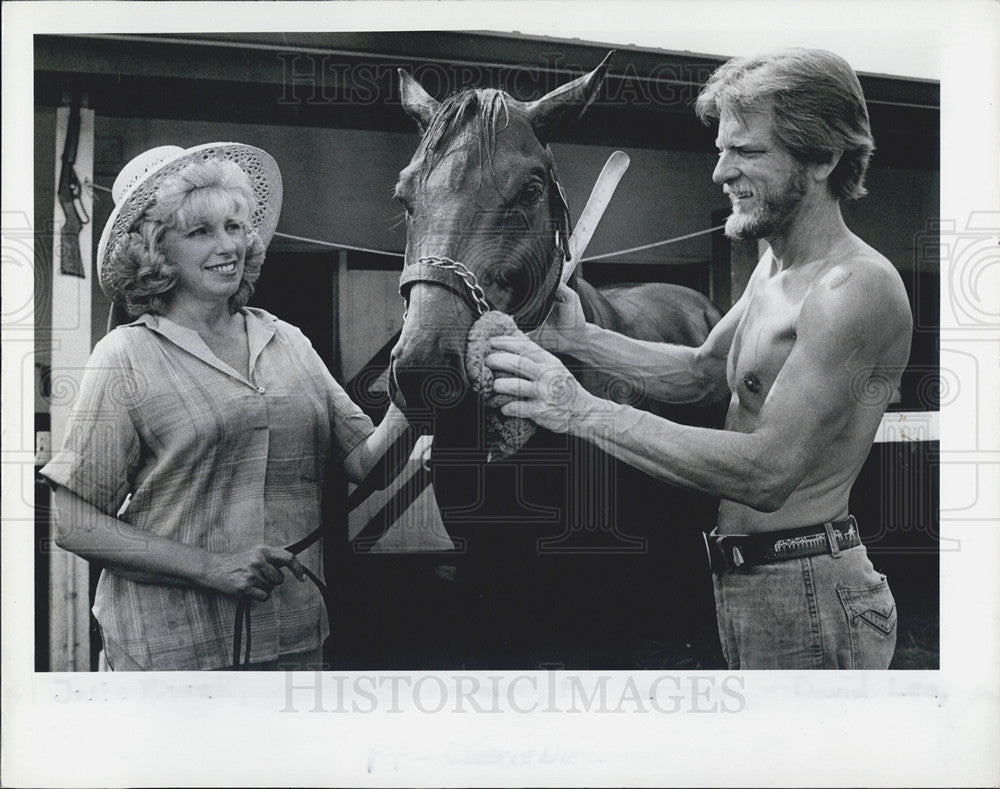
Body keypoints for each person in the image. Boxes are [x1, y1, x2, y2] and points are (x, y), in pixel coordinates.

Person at [486, 49, 912, 669]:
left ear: (823, 157)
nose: (719, 172)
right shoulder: (776, 267)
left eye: (746, 152)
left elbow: (767, 474)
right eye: (721, 149)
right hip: (749, 583)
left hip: (809, 591)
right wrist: (577, 340)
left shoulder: (852, 288)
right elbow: (702, 372)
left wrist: (580, 409)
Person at [41, 143, 408, 671]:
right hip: (171, 652)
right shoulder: (125, 356)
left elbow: (365, 464)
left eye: (235, 227)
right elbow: (74, 524)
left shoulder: (288, 342)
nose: (228, 246)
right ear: (155, 251)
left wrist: (413, 400)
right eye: (200, 232)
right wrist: (212, 568)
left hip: (292, 638)